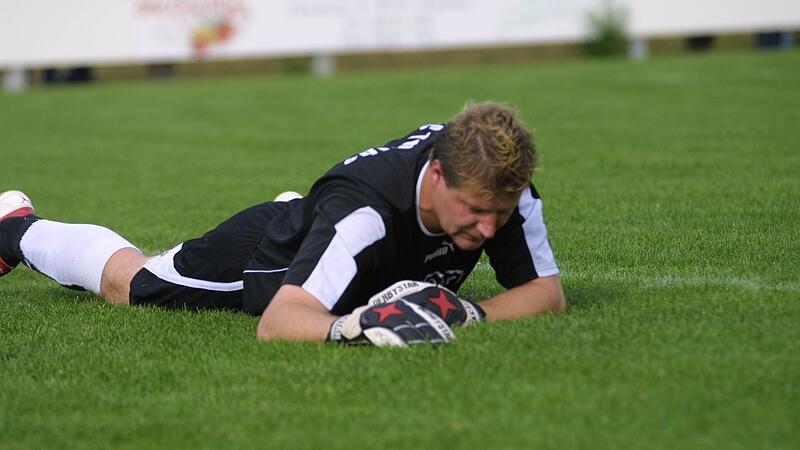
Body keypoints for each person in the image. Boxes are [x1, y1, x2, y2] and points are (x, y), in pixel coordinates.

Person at [0, 101, 564, 346]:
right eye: (475, 213)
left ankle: (313, 225)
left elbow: (547, 293)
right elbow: (279, 324)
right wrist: (352, 331)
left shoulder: (500, 188)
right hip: (272, 251)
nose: (491, 231)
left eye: (502, 214)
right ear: (437, 176)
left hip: (332, 226)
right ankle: (16, 227)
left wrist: (467, 313)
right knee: (135, 284)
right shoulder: (364, 216)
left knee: (339, 243)